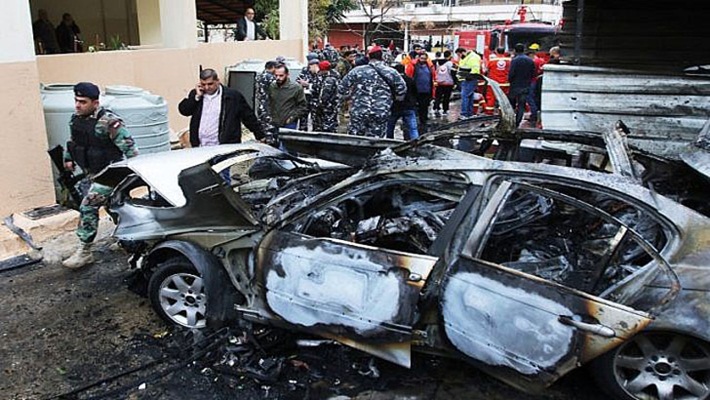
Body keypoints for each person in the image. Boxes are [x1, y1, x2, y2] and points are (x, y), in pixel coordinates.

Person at [62, 82, 139, 269]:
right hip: (92, 173)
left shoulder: (109, 122)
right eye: (76, 100)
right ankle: (131, 240)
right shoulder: (77, 119)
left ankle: (85, 250)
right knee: (115, 207)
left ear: (95, 103)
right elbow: (74, 141)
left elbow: (131, 150)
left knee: (88, 206)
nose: (78, 105)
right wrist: (68, 158)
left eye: (83, 102)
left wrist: (133, 174)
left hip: (110, 174)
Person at [178, 68, 265, 147]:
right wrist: (196, 97)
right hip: (200, 146)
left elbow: (248, 117)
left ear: (217, 81)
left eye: (210, 84)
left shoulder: (232, 96)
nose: (207, 87)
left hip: (224, 145)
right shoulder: (196, 94)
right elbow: (184, 111)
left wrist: (260, 135)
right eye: (203, 84)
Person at [339, 46, 406, 137]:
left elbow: (342, 88)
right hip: (380, 111)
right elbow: (402, 89)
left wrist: (350, 98)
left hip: (359, 111)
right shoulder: (391, 72)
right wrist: (393, 99)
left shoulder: (357, 71)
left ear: (368, 57)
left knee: (355, 139)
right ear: (382, 57)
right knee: (376, 140)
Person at [268, 64, 307, 130]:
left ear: (287, 75)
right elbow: (269, 102)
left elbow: (302, 105)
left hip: (289, 123)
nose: (278, 78)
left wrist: (292, 117)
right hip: (274, 122)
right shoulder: (272, 86)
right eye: (276, 75)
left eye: (281, 75)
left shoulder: (296, 88)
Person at [386, 64, 419, 140]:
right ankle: (415, 141)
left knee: (390, 126)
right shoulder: (410, 79)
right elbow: (415, 93)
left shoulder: (392, 81)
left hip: (395, 106)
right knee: (413, 128)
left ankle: (389, 141)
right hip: (409, 106)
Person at [406, 52, 436, 132]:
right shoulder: (413, 65)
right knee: (417, 106)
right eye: (422, 58)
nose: (423, 60)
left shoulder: (429, 66)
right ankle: (417, 121)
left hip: (427, 89)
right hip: (416, 90)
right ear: (418, 58)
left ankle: (423, 120)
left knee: (425, 106)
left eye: (425, 58)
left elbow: (432, 77)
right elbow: (409, 76)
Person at [508, 43, 536, 128]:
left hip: (515, 86)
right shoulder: (530, 60)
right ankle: (518, 122)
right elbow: (533, 73)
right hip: (525, 85)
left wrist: (510, 80)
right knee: (521, 105)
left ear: (515, 50)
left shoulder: (515, 60)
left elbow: (511, 73)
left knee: (512, 104)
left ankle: (511, 120)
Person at [455, 47, 482, 119]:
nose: (459, 57)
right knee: (470, 96)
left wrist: (468, 77)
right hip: (468, 79)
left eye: (459, 55)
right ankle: (469, 113)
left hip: (470, 79)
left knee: (465, 96)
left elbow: (475, 69)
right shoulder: (466, 57)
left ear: (463, 52)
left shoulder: (472, 57)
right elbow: (462, 67)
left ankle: (464, 114)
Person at [297, 55, 323, 131]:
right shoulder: (305, 70)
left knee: (315, 119)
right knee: (303, 117)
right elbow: (298, 80)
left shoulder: (320, 72)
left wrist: (308, 85)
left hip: (315, 98)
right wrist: (301, 83)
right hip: (305, 97)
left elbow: (319, 86)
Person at [313, 61, 340, 133]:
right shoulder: (334, 76)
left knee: (328, 126)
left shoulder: (329, 80)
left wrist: (320, 105)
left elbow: (325, 96)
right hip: (332, 106)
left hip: (328, 107)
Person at [484, 47, 511, 115]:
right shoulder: (509, 60)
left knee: (491, 98)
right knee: (503, 98)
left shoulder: (492, 60)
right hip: (505, 83)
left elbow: (486, 70)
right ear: (504, 52)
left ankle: (489, 112)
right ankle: (502, 112)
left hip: (493, 83)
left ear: (496, 51)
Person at [526, 43, 546, 125]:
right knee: (536, 98)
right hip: (539, 81)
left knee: (530, 97)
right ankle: (536, 114)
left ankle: (534, 114)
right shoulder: (542, 60)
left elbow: (532, 72)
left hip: (533, 81)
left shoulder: (534, 61)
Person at [255, 60, 278, 131]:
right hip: (269, 106)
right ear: (273, 67)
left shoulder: (259, 76)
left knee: (262, 126)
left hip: (261, 105)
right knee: (270, 128)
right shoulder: (271, 77)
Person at [433, 50, 455, 117]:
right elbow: (452, 73)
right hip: (448, 82)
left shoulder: (437, 63)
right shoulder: (450, 63)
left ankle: (436, 108)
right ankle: (445, 110)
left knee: (438, 97)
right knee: (446, 97)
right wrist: (455, 81)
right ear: (450, 55)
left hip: (439, 82)